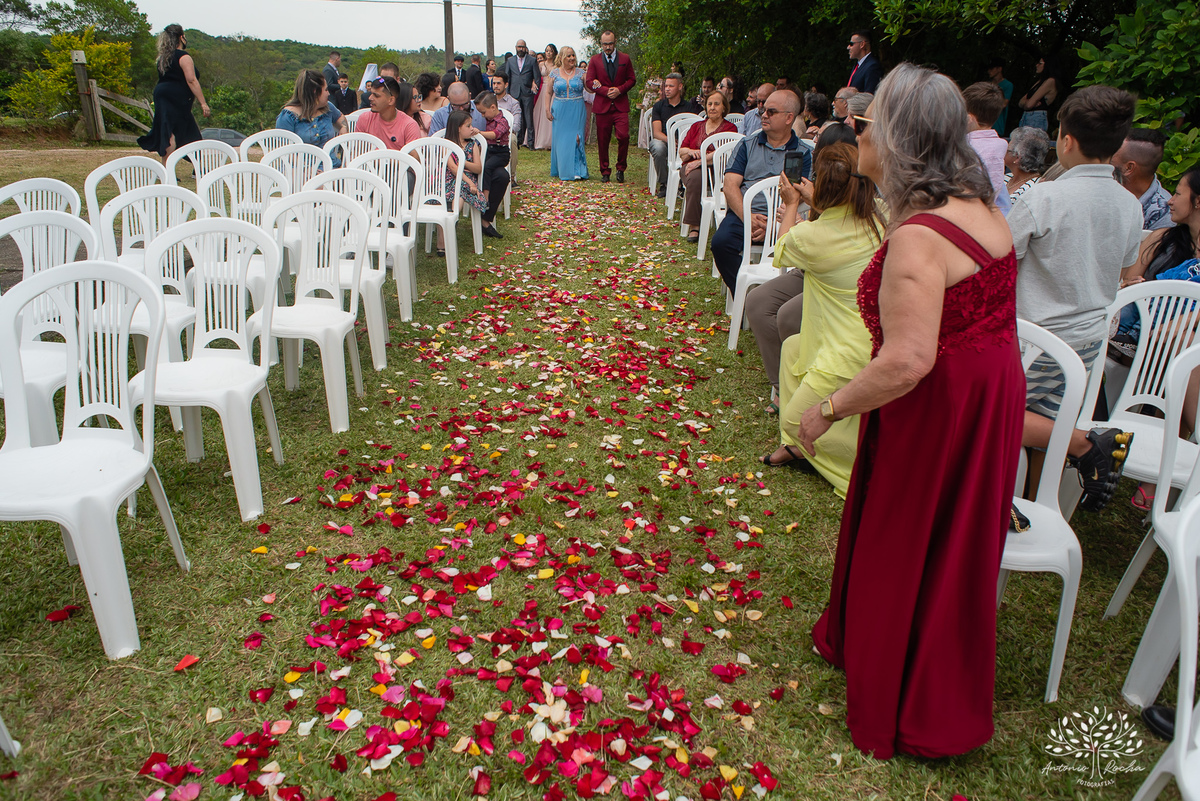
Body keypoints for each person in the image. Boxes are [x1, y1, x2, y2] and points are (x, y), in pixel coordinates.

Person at [807, 63, 1025, 761]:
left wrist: (828, 409)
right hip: (986, 392)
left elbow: (907, 359)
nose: (856, 134)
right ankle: (908, 664)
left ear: (896, 140)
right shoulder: (985, 209)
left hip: (939, 403)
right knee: (948, 545)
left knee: (909, 534)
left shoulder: (919, 234)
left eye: (867, 125)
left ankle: (908, 698)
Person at [1009, 84, 1142, 512]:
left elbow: (1001, 259)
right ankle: (1034, 505)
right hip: (1088, 341)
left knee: (996, 412)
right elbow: (1123, 267)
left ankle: (1086, 446)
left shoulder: (1044, 196)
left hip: (1036, 340)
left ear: (1065, 140)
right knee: (1051, 416)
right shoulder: (1129, 204)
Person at [759, 142, 886, 497]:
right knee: (793, 346)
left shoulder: (814, 236)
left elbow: (782, 246)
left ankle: (856, 473)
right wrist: (819, 202)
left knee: (795, 420)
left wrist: (792, 204)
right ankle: (798, 447)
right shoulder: (878, 218)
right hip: (863, 339)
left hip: (848, 352)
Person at [747, 124, 862, 412]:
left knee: (787, 316)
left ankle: (801, 386)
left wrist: (793, 203)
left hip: (831, 270)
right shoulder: (829, 193)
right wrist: (812, 205)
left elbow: (786, 247)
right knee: (759, 302)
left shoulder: (866, 199)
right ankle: (780, 384)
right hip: (811, 263)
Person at [711, 89, 808, 292]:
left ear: (789, 118)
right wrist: (750, 218)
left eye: (771, 112)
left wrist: (772, 225)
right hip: (744, 215)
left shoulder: (803, 153)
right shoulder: (747, 145)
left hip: (784, 219)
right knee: (721, 244)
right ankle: (747, 295)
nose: (763, 115)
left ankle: (767, 297)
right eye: (763, 110)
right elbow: (730, 185)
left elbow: (800, 195)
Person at [139, 24, 209, 162]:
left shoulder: (162, 58)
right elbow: (191, 80)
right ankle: (197, 167)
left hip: (161, 94)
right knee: (184, 129)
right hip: (177, 97)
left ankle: (166, 168)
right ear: (181, 37)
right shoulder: (183, 57)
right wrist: (203, 103)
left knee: (168, 130)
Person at [678, 90, 737, 241]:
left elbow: (723, 153)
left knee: (700, 175)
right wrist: (692, 152)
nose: (712, 107)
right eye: (709, 104)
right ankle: (694, 226)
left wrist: (701, 160)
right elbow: (682, 151)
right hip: (691, 168)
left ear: (724, 107)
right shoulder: (697, 126)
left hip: (717, 170)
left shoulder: (730, 128)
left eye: (717, 104)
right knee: (697, 177)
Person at [432, 109, 489, 256]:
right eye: (468, 126)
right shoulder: (446, 145)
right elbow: (452, 168)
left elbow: (478, 168)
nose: (472, 129)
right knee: (450, 194)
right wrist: (470, 182)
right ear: (458, 128)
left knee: (461, 191)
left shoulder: (473, 144)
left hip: (465, 180)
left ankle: (450, 223)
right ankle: (444, 233)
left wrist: (464, 163)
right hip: (449, 177)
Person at [585, 30, 636, 183]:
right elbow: (589, 81)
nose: (608, 47)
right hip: (602, 106)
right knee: (602, 140)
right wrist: (605, 91)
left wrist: (620, 90)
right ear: (601, 44)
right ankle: (605, 171)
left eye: (610, 44)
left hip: (620, 106)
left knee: (624, 136)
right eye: (605, 44)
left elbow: (632, 79)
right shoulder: (594, 60)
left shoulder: (625, 59)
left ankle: (621, 168)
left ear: (615, 42)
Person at [275, 69, 346, 163]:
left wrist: (343, 127)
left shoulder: (328, 108)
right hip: (300, 171)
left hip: (331, 167)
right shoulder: (288, 117)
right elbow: (284, 153)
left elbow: (341, 118)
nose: (328, 93)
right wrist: (308, 170)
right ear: (315, 92)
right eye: (325, 90)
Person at [962, 82, 1011, 214]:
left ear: (969, 118)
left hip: (975, 211)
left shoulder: (971, 147)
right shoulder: (997, 145)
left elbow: (989, 193)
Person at [648, 73, 699, 198]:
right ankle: (664, 184)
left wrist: (683, 144)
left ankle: (682, 184)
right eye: (666, 86)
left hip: (684, 144)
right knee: (657, 147)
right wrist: (671, 141)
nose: (667, 89)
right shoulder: (659, 106)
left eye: (671, 86)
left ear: (680, 86)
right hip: (665, 141)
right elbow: (656, 132)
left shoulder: (689, 107)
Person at [1111, 128, 1174, 231]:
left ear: (1129, 168)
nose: (1106, 160)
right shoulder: (1105, 187)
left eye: (1112, 156)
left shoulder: (1164, 213)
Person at [547, 47, 589, 182]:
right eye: (568, 56)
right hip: (559, 109)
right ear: (562, 58)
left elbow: (589, 88)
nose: (572, 58)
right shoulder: (554, 74)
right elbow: (548, 93)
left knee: (577, 138)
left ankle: (577, 170)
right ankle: (563, 169)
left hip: (577, 108)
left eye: (573, 56)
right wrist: (547, 109)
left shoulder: (581, 73)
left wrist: (597, 83)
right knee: (561, 140)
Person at [473, 92, 509, 238]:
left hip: (500, 153)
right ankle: (484, 219)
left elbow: (495, 134)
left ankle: (485, 200)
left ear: (493, 107)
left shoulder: (502, 121)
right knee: (488, 169)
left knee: (493, 171)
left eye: (483, 112)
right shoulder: (485, 119)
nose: (481, 115)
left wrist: (479, 133)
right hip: (486, 152)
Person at [355, 76, 422, 152]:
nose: (370, 98)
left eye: (376, 96)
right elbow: (357, 152)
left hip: (398, 163)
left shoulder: (409, 125)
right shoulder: (364, 119)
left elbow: (413, 160)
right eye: (371, 94)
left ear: (391, 100)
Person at [504, 40, 539, 148]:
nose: (521, 49)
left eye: (523, 47)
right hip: (514, 93)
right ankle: (517, 141)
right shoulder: (510, 61)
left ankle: (531, 142)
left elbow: (537, 77)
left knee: (529, 118)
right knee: (515, 118)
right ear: (515, 47)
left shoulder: (532, 60)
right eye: (519, 47)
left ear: (526, 48)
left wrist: (533, 89)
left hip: (527, 93)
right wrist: (508, 93)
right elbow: (507, 77)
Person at [1005, 126, 1049, 201]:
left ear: (1017, 157)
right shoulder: (1005, 178)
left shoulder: (1035, 187)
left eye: (1007, 149)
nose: (1004, 152)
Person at [492, 72, 523, 181]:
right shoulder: (487, 101)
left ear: (506, 85)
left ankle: (512, 176)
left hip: (507, 134)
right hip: (490, 134)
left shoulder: (513, 103)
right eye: (494, 83)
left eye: (499, 83)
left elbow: (516, 125)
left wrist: (502, 132)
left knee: (513, 139)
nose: (495, 86)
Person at [1017, 56, 1059, 131]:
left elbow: (1029, 105)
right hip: (1026, 117)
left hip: (1036, 118)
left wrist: (1028, 103)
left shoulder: (1050, 81)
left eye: (1040, 63)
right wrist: (1028, 102)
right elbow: (1021, 102)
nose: (1037, 65)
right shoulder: (1039, 81)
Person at [533, 44, 557, 151]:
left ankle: (551, 141)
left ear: (554, 52)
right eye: (547, 51)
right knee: (540, 113)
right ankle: (540, 140)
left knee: (552, 111)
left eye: (550, 51)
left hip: (553, 90)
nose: (548, 53)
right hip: (543, 90)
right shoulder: (540, 64)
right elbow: (535, 76)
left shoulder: (557, 65)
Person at [988, 58, 1014, 134]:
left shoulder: (1008, 85)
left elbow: (1004, 104)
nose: (989, 71)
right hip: (985, 124)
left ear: (999, 69)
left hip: (997, 126)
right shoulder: (988, 85)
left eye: (991, 68)